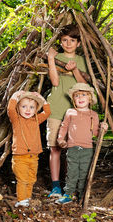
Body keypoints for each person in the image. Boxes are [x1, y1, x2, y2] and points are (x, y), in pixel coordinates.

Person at [47, 24, 88, 198]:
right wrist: (50, 59)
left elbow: (83, 85)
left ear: (78, 43)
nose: (68, 43)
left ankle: (69, 186)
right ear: (60, 42)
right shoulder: (57, 57)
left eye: (72, 40)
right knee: (55, 148)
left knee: (72, 150)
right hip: (56, 107)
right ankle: (56, 186)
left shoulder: (81, 60)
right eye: (65, 40)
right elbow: (55, 82)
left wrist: (74, 69)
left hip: (76, 111)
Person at [55, 83, 108, 204]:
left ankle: (81, 194)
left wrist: (102, 129)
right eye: (77, 95)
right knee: (71, 172)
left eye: (83, 95)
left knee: (84, 172)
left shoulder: (93, 115)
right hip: (73, 147)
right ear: (73, 99)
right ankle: (68, 193)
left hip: (87, 149)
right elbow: (64, 127)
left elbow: (95, 133)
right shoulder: (70, 112)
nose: (80, 98)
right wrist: (60, 139)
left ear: (90, 98)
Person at [7, 91, 51, 207]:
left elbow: (47, 112)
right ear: (18, 107)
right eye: (24, 106)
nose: (28, 110)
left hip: (34, 157)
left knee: (31, 179)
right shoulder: (16, 120)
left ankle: (27, 198)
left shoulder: (36, 119)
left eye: (32, 107)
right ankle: (21, 201)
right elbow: (10, 110)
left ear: (36, 109)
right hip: (20, 157)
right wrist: (14, 96)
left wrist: (42, 99)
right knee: (22, 180)